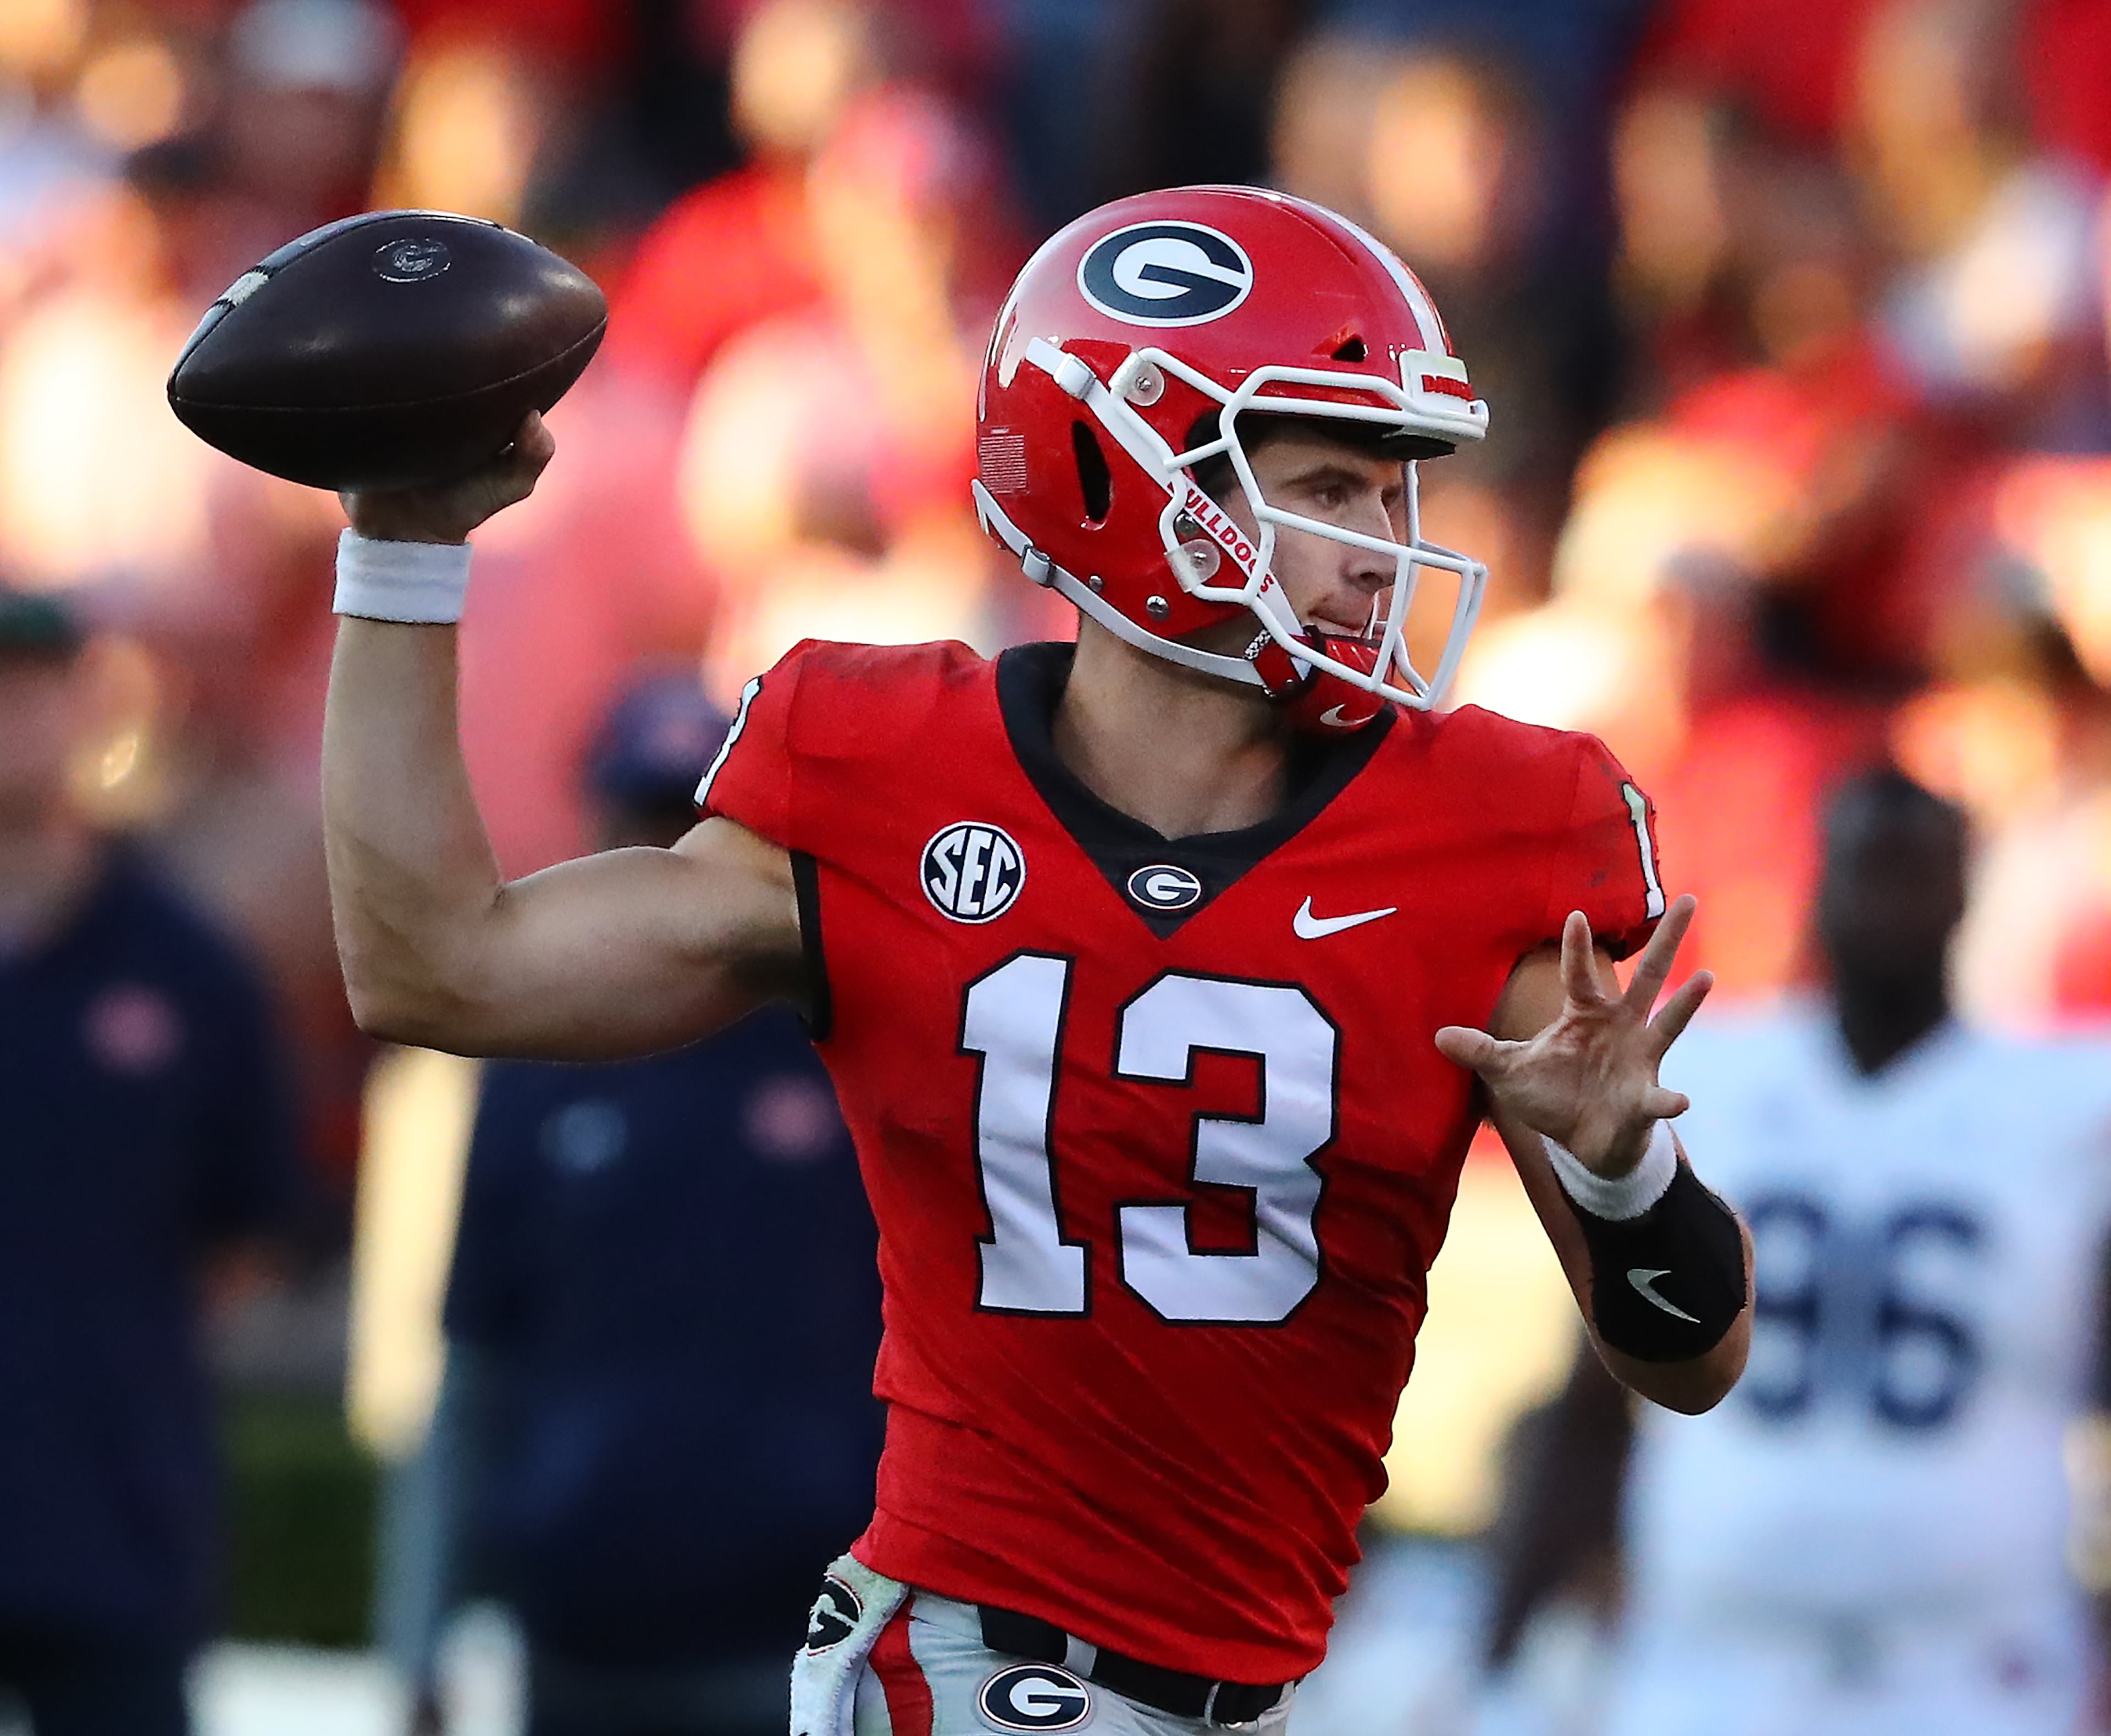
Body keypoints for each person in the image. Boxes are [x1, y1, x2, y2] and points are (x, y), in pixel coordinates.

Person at [317, 185, 1752, 1731]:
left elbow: (1691, 1360)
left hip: (1248, 1683)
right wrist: (404, 551)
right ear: (1129, 475)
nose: (1384, 551)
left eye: (1400, 496)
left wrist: (1621, 1177)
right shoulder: (883, 761)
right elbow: (443, 967)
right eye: (1334, 486)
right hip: (970, 1657)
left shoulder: (1499, 828)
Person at [1479, 767, 2111, 1736]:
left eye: (1915, 871)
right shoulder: (1708, 1074)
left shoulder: (2071, 1108)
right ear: (1820, 882)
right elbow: (1602, 1381)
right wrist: (1498, 1649)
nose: (1888, 900)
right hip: (1712, 1663)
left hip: (1978, 1670)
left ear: (1967, 891)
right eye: (1869, 868)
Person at [392, 670, 883, 1736]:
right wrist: (419, 1632)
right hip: (582, 1631)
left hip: (803, 1637)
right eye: (643, 823)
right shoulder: (530, 1064)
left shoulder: (845, 1047)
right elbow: (473, 1365)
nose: (665, 865)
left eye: (692, 827)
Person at [0, 586, 300, 1736]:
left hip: (113, 1535)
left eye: (30, 692)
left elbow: (249, 1230)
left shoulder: (186, 967)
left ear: (84, 707)